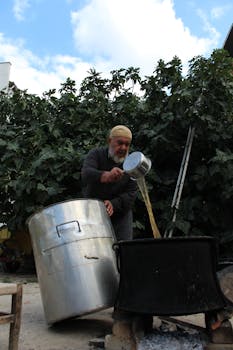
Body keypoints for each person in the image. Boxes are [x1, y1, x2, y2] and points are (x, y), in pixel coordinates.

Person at [81, 125, 137, 241]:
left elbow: (131, 193)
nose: (123, 148)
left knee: (123, 251)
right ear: (109, 141)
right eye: (120, 143)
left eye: (127, 145)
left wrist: (113, 204)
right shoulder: (96, 154)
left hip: (121, 217)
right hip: (94, 212)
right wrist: (106, 176)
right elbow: (86, 174)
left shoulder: (131, 163)